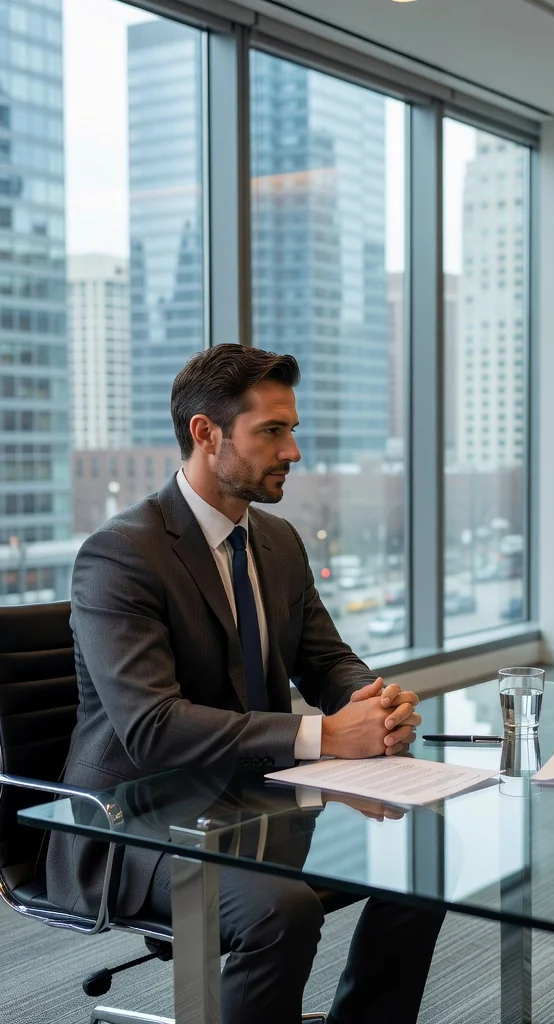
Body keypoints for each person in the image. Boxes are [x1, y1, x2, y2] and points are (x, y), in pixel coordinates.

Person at [47, 344, 444, 1024]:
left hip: (253, 801)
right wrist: (324, 734)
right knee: (280, 910)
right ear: (207, 434)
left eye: (292, 429)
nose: (292, 451)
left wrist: (368, 703)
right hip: (131, 821)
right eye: (272, 431)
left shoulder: (278, 542)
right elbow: (151, 727)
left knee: (426, 859)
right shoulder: (122, 554)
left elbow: (326, 661)